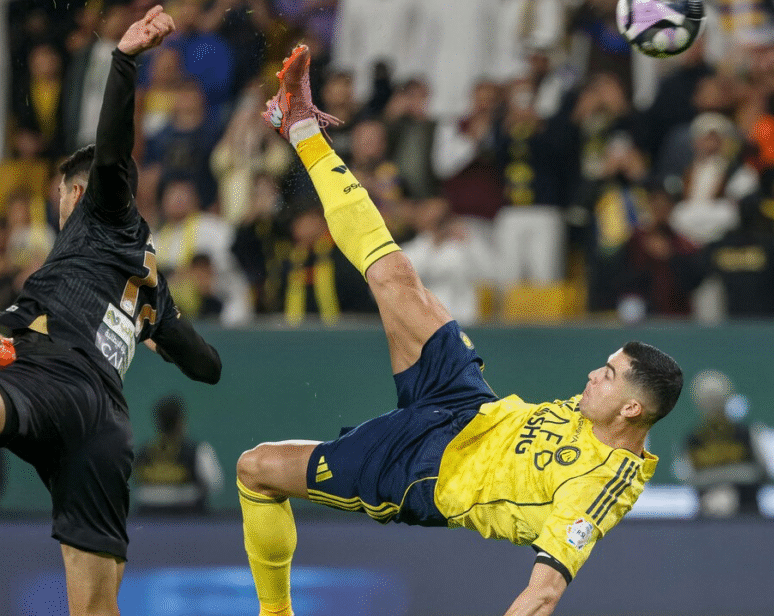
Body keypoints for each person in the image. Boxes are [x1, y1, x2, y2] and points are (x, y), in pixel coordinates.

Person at [236, 45, 683, 616]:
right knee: (397, 275)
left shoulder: (598, 487)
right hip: (466, 404)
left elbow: (542, 595)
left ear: (631, 412)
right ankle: (299, 125)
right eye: (605, 363)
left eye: (610, 375)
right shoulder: (602, 414)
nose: (594, 374)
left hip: (424, 470)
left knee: (257, 468)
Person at [0, 8, 222, 616]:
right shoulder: (154, 292)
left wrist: (124, 62)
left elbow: (114, 150)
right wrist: (155, 328)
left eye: (58, 199)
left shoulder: (100, 216)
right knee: (96, 608)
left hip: (50, 375)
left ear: (75, 193)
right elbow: (208, 366)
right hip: (104, 428)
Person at [675, 370, 766, 517]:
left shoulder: (746, 433)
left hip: (748, 514)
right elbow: (689, 478)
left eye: (716, 396)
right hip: (706, 517)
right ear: (697, 400)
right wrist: (734, 474)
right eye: (707, 397)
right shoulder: (694, 439)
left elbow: (763, 473)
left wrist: (719, 479)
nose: (712, 402)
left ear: (727, 395)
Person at [135, 394, 224, 515]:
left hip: (148, 517)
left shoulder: (143, 451)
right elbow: (214, 484)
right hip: (188, 518)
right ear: (180, 421)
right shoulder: (197, 450)